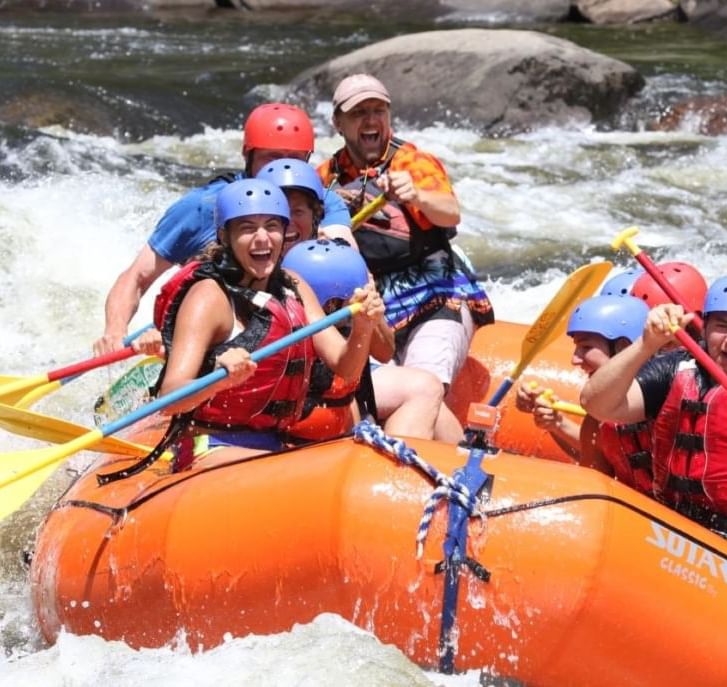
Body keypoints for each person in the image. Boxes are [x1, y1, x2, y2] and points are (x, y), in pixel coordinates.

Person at [581, 275, 727, 577]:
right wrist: (645, 344)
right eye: (722, 326)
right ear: (704, 327)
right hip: (671, 522)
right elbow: (597, 404)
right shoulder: (675, 367)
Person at [145, 178, 383, 468]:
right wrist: (219, 380)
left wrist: (362, 327)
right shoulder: (209, 296)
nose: (262, 238)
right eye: (247, 228)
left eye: (272, 226)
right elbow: (170, 397)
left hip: (274, 446)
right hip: (211, 446)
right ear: (225, 236)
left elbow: (345, 367)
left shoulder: (293, 286)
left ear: (285, 233)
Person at [94, 103, 353, 355]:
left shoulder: (318, 202)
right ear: (247, 156)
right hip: (213, 333)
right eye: (271, 158)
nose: (280, 170)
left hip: (295, 326)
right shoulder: (205, 206)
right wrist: (115, 331)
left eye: (294, 160)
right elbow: (137, 276)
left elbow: (345, 252)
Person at [316, 74, 494, 400]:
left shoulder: (412, 162)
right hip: (371, 309)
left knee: (423, 386)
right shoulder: (325, 177)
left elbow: (450, 212)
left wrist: (417, 196)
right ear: (337, 123)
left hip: (435, 299)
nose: (371, 120)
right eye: (358, 113)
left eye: (378, 110)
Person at [281, 239, 462, 442]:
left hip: (346, 400)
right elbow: (345, 370)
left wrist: (369, 318)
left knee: (428, 388)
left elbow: (385, 353)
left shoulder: (347, 264)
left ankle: (464, 458)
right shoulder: (293, 305)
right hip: (304, 417)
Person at [516, 295, 655, 494]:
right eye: (576, 347)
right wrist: (556, 423)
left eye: (586, 347)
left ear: (624, 348)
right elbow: (591, 475)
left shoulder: (667, 399)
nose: (575, 360)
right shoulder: (596, 419)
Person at [255, 157, 356, 250]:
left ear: (316, 216)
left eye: (297, 212)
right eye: (278, 213)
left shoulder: (334, 256)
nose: (288, 222)